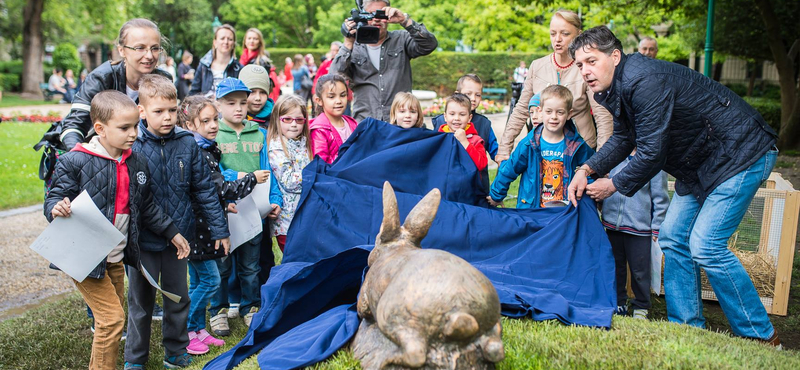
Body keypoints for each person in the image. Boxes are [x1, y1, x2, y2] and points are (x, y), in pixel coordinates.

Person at [567, 26, 781, 346]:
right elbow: (626, 138)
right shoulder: (615, 87)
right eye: (579, 65)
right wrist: (587, 168)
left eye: (591, 61)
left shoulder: (645, 81)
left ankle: (761, 336)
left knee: (706, 245)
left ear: (614, 56)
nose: (585, 70)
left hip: (740, 154)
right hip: (699, 165)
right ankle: (687, 327)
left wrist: (611, 185)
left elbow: (651, 153)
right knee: (673, 237)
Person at [45, 90, 189, 370]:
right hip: (85, 257)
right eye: (124, 128)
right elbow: (54, 197)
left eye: (135, 125)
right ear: (100, 128)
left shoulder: (136, 162)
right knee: (112, 320)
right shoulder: (75, 160)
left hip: (114, 257)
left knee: (108, 321)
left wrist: (173, 232)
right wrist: (56, 207)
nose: (133, 133)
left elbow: (146, 208)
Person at [125, 74, 230, 369]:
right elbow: (135, 200)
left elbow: (205, 189)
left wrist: (220, 229)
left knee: (178, 297)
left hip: (180, 241)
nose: (167, 117)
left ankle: (175, 351)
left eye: (172, 110)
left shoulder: (187, 144)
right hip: (143, 242)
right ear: (141, 111)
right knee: (141, 303)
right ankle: (135, 359)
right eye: (158, 111)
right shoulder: (133, 147)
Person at [177, 95, 270, 355]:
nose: (213, 125)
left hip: (201, 223)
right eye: (205, 121)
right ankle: (184, 329)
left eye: (214, 119)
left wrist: (222, 203)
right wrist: (252, 178)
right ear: (190, 124)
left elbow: (209, 192)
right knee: (210, 280)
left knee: (197, 282)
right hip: (199, 228)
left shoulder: (205, 148)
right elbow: (221, 187)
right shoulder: (199, 153)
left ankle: (196, 329)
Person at [210, 77, 282, 333]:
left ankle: (250, 306)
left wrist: (275, 199)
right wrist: (238, 177)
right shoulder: (213, 134)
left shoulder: (259, 133)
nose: (238, 108)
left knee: (251, 264)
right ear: (219, 105)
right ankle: (217, 310)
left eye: (242, 102)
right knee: (221, 264)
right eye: (231, 103)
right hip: (222, 210)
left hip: (253, 209)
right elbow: (211, 171)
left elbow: (268, 170)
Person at [498, 10, 612, 162]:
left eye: (565, 34)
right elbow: (521, 110)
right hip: (542, 150)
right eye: (553, 34)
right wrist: (504, 148)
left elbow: (602, 115)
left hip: (580, 150)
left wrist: (601, 161)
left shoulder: (586, 68)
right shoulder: (537, 66)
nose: (557, 39)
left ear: (578, 34)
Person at [59, 18, 174, 151]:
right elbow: (74, 125)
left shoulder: (163, 79)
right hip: (102, 153)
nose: (149, 55)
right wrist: (80, 156)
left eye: (154, 48)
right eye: (140, 48)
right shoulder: (101, 78)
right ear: (121, 50)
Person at [332, 0, 438, 122]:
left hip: (398, 124)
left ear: (388, 16)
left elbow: (430, 45)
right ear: (362, 16)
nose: (376, 19)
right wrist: (347, 43)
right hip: (365, 123)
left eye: (380, 14)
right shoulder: (353, 46)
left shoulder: (401, 39)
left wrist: (405, 20)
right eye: (371, 14)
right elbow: (333, 77)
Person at [489, 85, 594, 208]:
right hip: (532, 210)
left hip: (563, 212)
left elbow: (591, 169)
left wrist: (593, 197)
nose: (554, 116)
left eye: (560, 112)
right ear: (541, 111)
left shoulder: (576, 145)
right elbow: (509, 170)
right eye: (549, 111)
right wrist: (496, 195)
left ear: (569, 114)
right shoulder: (529, 144)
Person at [601, 149, 669, 319]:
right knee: (616, 268)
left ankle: (641, 306)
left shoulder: (654, 164)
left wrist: (657, 226)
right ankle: (618, 302)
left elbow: (660, 197)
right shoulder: (614, 158)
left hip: (640, 229)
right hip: (612, 226)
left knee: (640, 271)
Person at [432, 74, 498, 192]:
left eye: (477, 95)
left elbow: (496, 153)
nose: (473, 98)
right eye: (468, 94)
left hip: (476, 187)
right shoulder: (440, 122)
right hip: (446, 185)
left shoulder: (484, 124)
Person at [267, 95, 313, 252]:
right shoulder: (277, 147)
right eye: (287, 119)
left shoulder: (303, 142)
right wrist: (314, 175)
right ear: (277, 120)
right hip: (286, 221)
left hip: (304, 216)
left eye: (299, 120)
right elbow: (288, 182)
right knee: (292, 259)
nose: (294, 125)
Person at [309, 74, 358, 164]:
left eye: (342, 95)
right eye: (331, 97)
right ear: (319, 100)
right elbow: (321, 164)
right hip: (335, 176)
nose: (338, 101)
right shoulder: (319, 130)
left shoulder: (352, 123)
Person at [437, 93, 487, 172]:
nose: (457, 118)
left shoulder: (476, 141)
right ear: (445, 117)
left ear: (469, 118)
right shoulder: (438, 138)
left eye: (462, 114)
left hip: (467, 183)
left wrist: (465, 142)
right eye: (452, 114)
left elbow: (481, 164)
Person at [190, 24, 242, 98]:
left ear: (233, 44)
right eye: (222, 38)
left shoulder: (238, 69)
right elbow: (193, 93)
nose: (226, 42)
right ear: (215, 42)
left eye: (230, 39)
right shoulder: (203, 66)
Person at [240, 28, 279, 101]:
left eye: (255, 39)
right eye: (249, 38)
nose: (252, 41)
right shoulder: (242, 60)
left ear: (260, 42)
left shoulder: (262, 61)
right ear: (245, 41)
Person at [240, 64, 275, 130]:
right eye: (252, 92)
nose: (258, 98)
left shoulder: (275, 118)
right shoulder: (233, 117)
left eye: (263, 92)